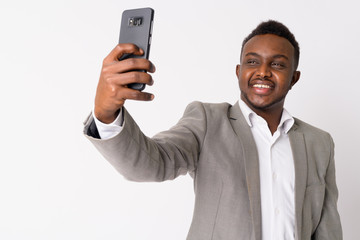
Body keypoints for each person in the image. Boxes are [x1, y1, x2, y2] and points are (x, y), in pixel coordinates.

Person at [83, 20, 342, 239]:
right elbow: (151, 164)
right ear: (239, 71)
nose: (263, 72)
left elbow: (327, 227)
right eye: (253, 62)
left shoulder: (319, 143)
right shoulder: (208, 121)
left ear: (294, 77)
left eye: (277, 64)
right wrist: (106, 114)